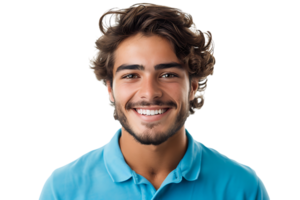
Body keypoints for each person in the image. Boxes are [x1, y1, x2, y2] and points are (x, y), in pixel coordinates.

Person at [38, 2, 271, 199]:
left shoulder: (244, 189)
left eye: (168, 75)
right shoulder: (62, 190)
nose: (149, 93)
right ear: (109, 88)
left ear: (192, 87)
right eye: (131, 75)